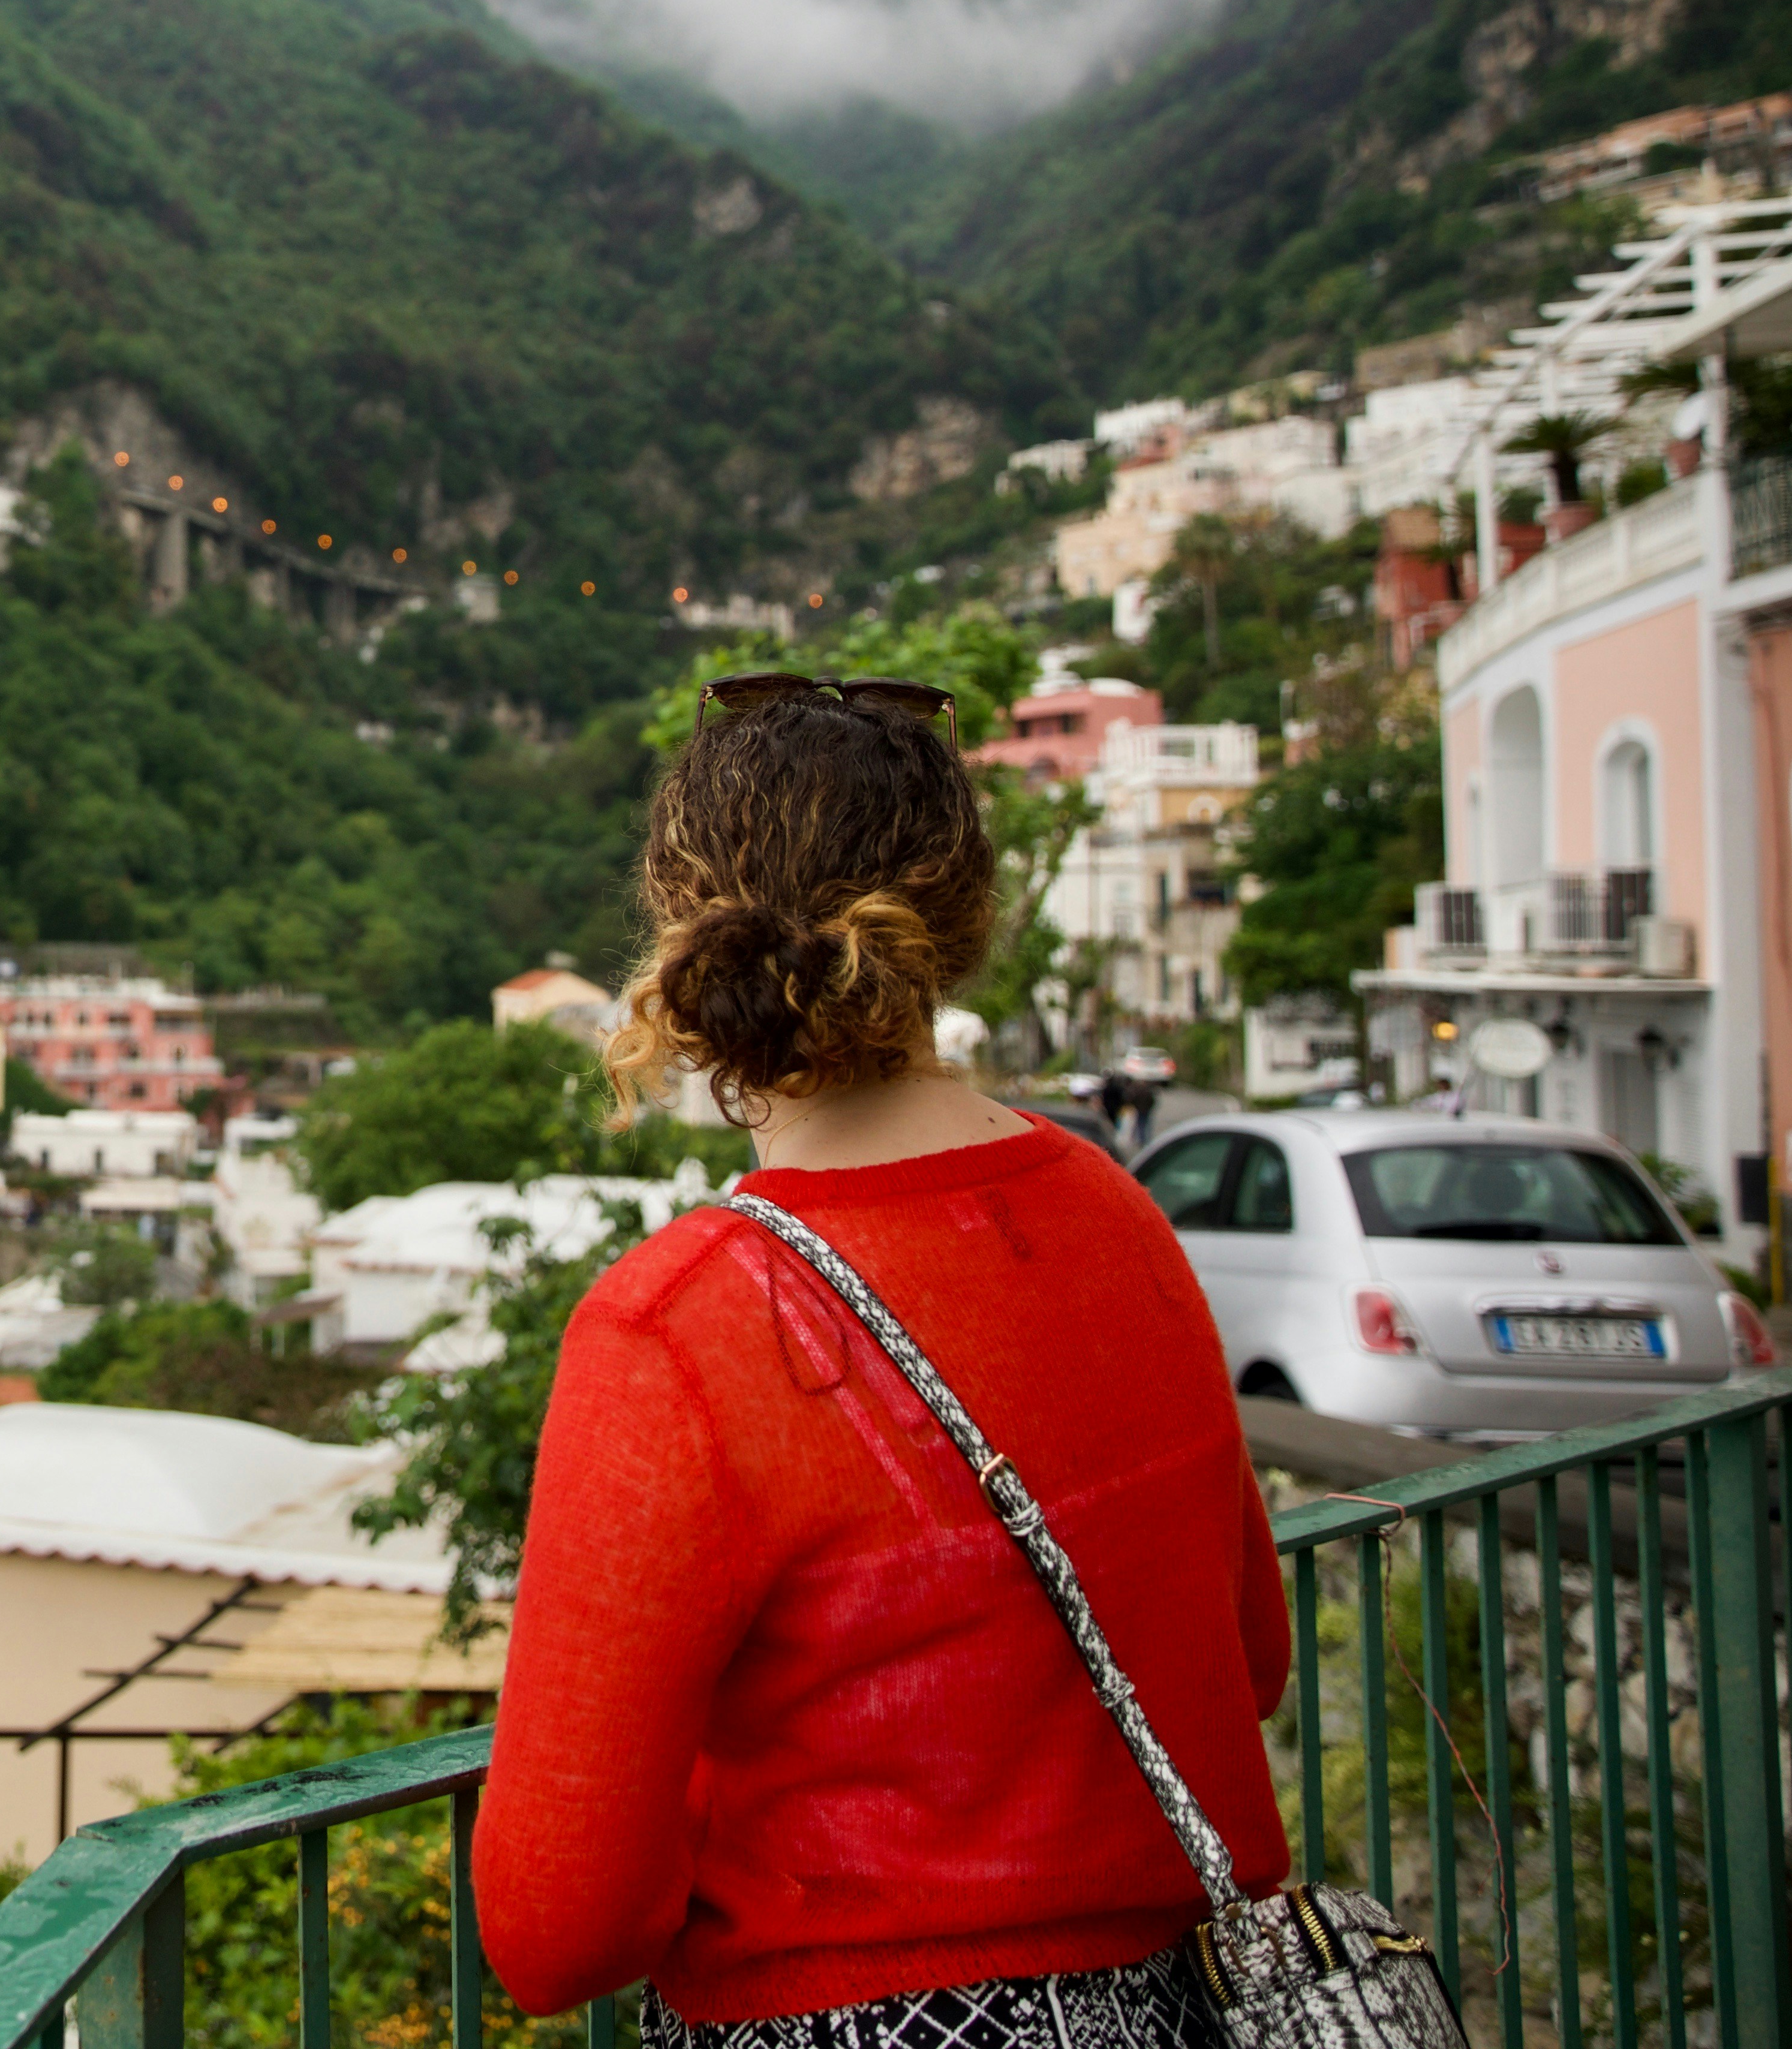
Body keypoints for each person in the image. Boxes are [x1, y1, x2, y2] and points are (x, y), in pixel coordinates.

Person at [471, 678, 1288, 2048]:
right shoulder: (1116, 1211)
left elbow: (557, 1927)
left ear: (681, 931)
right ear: (960, 922)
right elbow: (1248, 1658)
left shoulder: (678, 1327)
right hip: (1165, 2009)